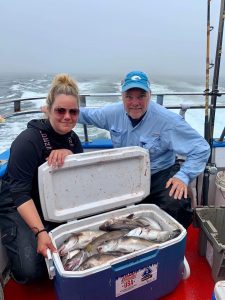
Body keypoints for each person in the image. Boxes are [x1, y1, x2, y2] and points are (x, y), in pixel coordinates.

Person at [78, 70, 210, 228]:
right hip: (126, 174)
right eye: (129, 96)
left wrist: (184, 176)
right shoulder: (112, 113)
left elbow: (201, 148)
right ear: (122, 97)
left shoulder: (168, 121)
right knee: (104, 208)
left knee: (177, 204)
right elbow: (84, 115)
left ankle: (169, 243)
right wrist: (56, 112)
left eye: (141, 96)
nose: (135, 102)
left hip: (160, 174)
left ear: (150, 95)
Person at [0, 74, 83, 284]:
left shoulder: (73, 140)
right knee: (31, 271)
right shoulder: (28, 141)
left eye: (73, 111)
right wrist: (41, 233)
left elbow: (81, 180)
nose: (67, 116)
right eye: (60, 110)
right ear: (48, 109)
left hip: (51, 201)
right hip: (19, 202)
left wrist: (72, 157)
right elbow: (19, 193)